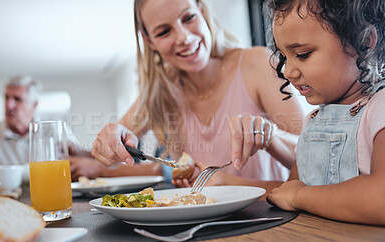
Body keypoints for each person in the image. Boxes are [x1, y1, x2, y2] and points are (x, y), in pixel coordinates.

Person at [92, 0, 306, 189]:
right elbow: (112, 149)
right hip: (202, 226)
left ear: (202, 12)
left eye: (188, 17)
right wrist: (110, 138)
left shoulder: (257, 63)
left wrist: (270, 135)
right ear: (150, 42)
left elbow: (310, 156)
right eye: (164, 32)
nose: (183, 37)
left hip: (269, 219)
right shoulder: (163, 89)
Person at [257, 0, 385, 225]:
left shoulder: (379, 109)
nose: (288, 72)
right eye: (284, 57)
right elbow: (287, 191)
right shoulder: (313, 121)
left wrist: (300, 196)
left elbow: (380, 198)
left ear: (363, 42)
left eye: (303, 54)